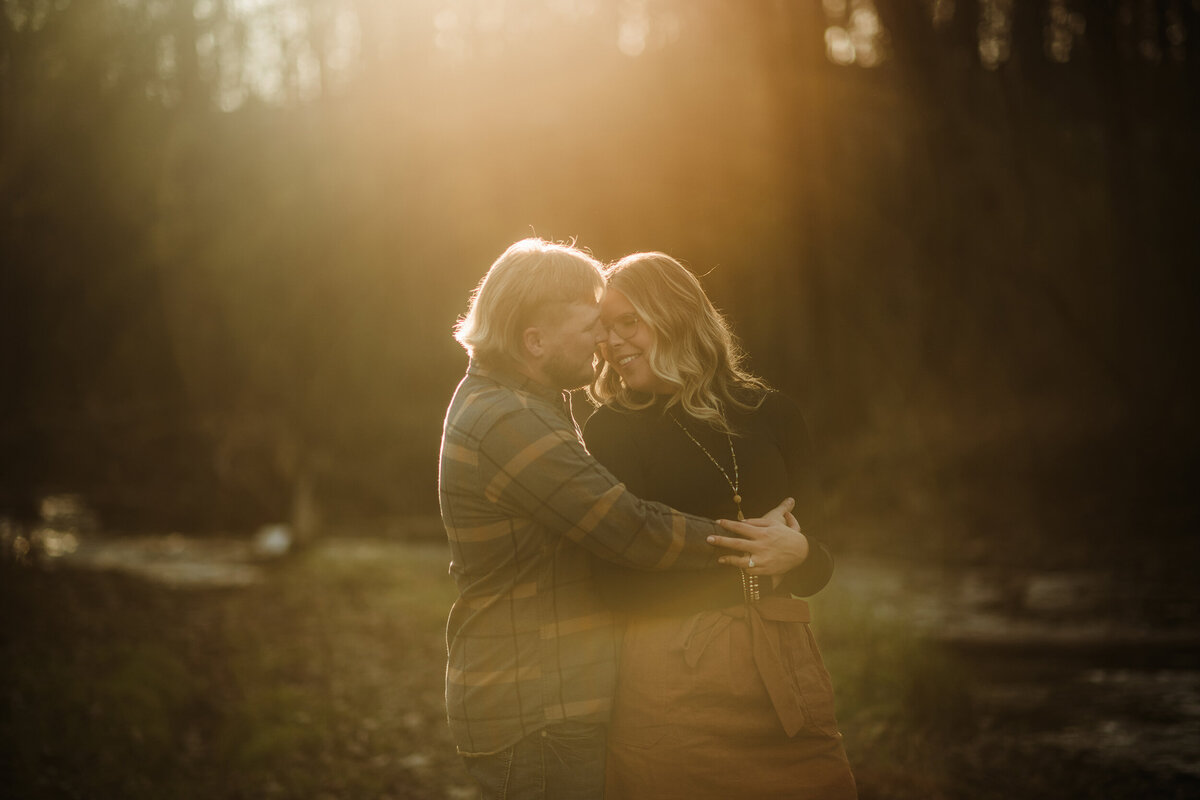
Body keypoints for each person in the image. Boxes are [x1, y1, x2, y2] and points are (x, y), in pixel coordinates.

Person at [438, 238, 812, 800]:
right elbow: (629, 530)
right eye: (591, 325)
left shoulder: (525, 403)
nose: (603, 342)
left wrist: (798, 553)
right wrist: (756, 545)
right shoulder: (506, 420)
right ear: (534, 341)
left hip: (547, 699)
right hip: (536, 706)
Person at [583, 252, 857, 800]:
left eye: (627, 321)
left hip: (784, 662)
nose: (611, 343)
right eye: (601, 330)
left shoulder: (774, 414)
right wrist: (752, 560)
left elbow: (823, 557)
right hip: (670, 673)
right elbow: (613, 580)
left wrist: (799, 555)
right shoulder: (612, 430)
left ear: (675, 313)